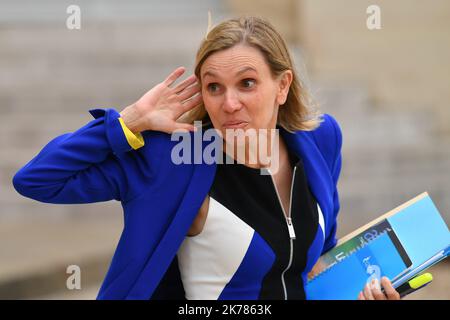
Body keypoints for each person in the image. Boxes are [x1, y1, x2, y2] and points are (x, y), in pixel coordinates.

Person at [12, 16, 400, 300]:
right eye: (214, 87)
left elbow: (315, 259)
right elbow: (38, 179)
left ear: (283, 86)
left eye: (247, 83)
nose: (229, 104)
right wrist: (128, 121)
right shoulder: (173, 160)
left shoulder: (318, 140)